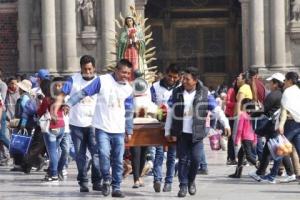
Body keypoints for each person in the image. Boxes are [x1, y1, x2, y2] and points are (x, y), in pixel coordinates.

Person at [66, 59, 134, 198]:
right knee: (103, 154)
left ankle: (116, 187)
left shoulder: (128, 89)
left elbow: (128, 111)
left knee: (118, 158)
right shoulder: (102, 80)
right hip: (102, 127)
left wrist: (129, 130)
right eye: (123, 72)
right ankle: (106, 178)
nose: (125, 75)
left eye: (128, 73)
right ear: (116, 70)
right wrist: (69, 103)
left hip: (119, 129)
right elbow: (84, 92)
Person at [165, 67, 230, 197]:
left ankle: (191, 180)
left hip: (197, 133)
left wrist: (225, 123)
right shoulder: (177, 92)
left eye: (187, 79)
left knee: (195, 159)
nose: (184, 81)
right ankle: (183, 185)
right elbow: (170, 113)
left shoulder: (204, 93)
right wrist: (168, 131)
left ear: (195, 80)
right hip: (181, 133)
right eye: (183, 79)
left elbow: (217, 110)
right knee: (182, 160)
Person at [55, 55, 102, 192]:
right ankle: (83, 181)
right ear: (80, 69)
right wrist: (57, 107)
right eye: (84, 69)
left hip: (94, 123)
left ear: (94, 68)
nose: (87, 72)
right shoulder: (73, 80)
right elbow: (62, 94)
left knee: (96, 154)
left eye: (90, 69)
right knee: (80, 155)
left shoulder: (99, 81)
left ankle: (97, 181)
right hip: (76, 124)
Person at [150, 64, 181, 193]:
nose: (172, 79)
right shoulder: (155, 87)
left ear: (179, 77)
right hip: (158, 124)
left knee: (172, 155)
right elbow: (150, 103)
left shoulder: (180, 88)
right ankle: (157, 179)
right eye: (170, 76)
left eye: (175, 77)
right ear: (165, 74)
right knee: (158, 154)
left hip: (173, 126)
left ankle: (168, 182)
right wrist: (158, 112)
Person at [228, 98, 259, 178]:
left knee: (248, 156)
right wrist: (255, 139)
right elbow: (255, 129)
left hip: (245, 139)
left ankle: (260, 167)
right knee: (241, 155)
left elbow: (240, 129)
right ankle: (238, 173)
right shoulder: (253, 116)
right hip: (251, 138)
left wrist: (237, 140)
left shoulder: (243, 115)